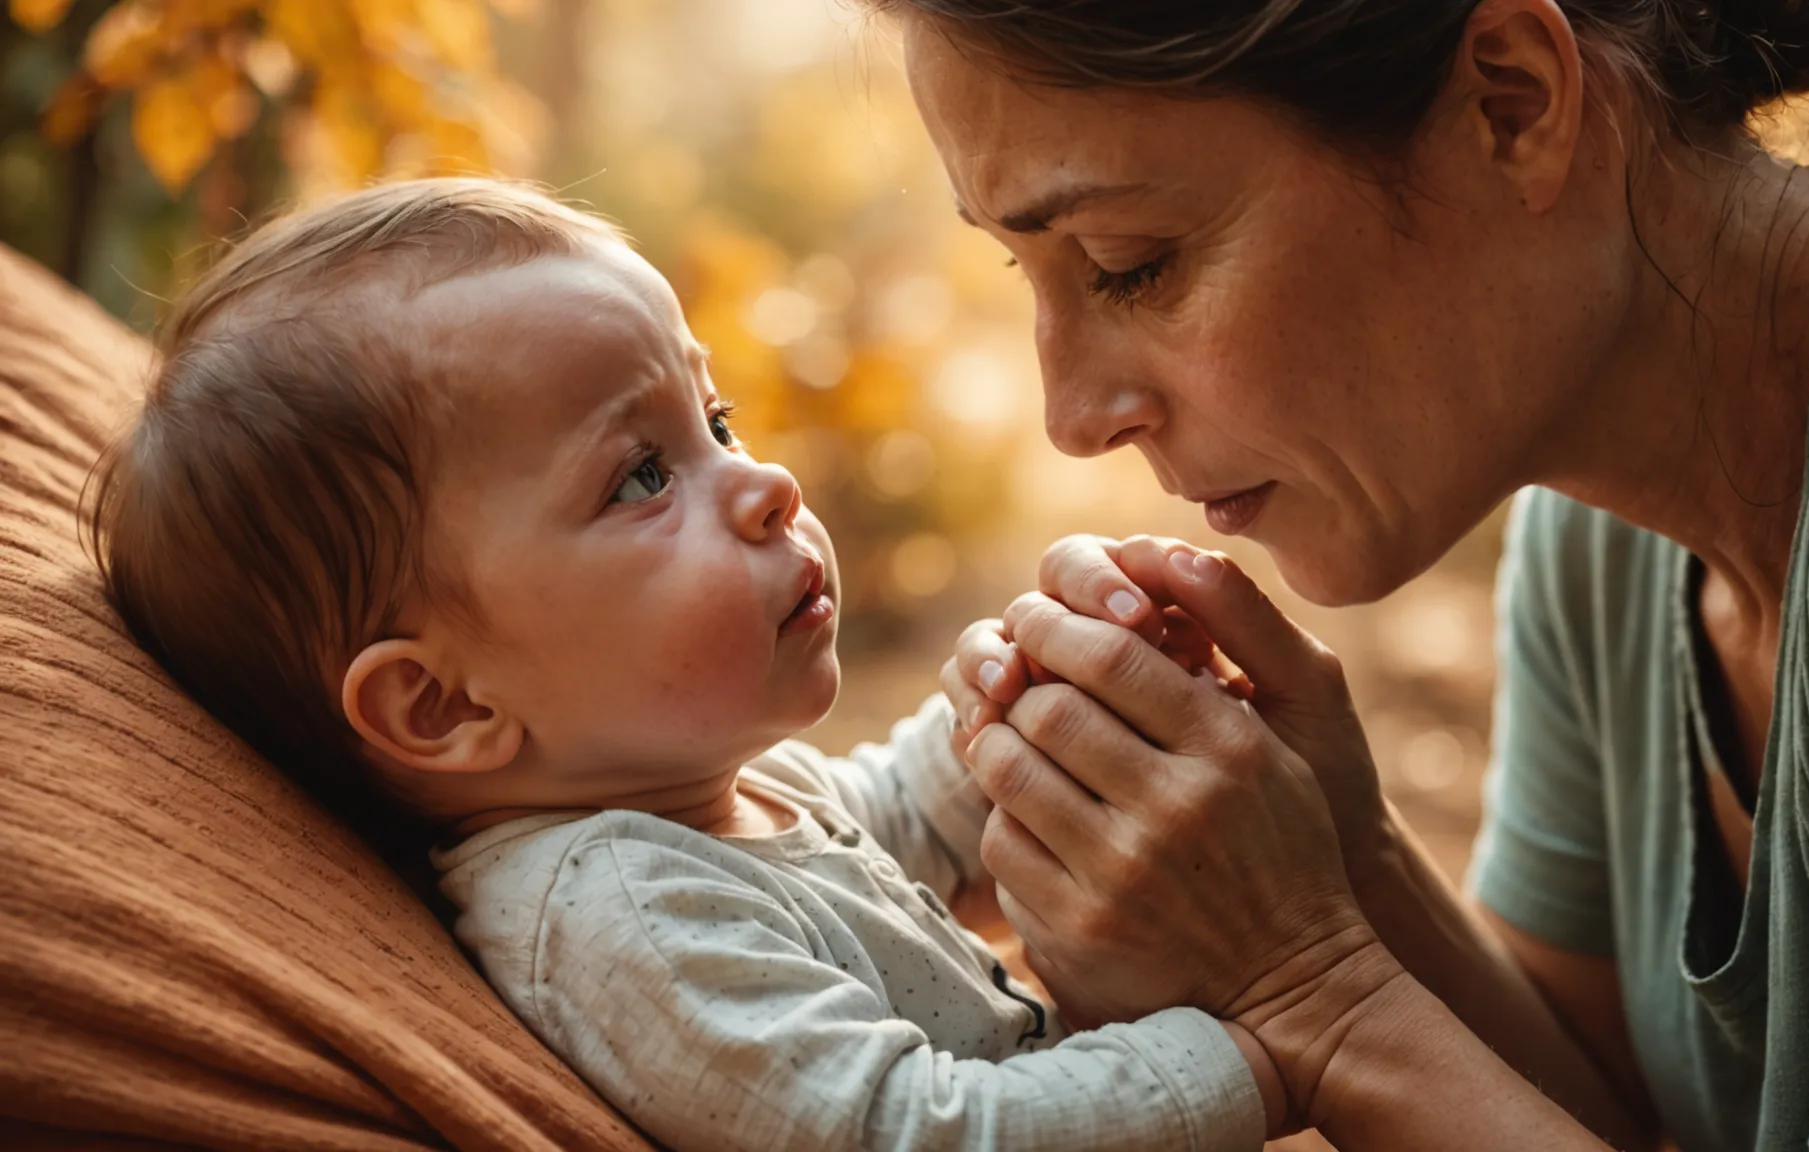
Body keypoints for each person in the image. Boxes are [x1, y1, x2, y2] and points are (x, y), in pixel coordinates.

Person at [895, 0, 1809, 1148]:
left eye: (1131, 265)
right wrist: (1348, 860)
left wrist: (1308, 986)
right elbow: (1593, 1107)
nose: (1071, 418)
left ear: (1511, 106)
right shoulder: (1605, 526)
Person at [86, 177, 1296, 1151]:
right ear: (445, 702)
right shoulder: (620, 922)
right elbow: (912, 1133)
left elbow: (888, 820)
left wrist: (1029, 702)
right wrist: (1254, 1050)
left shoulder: (703, 793)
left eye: (714, 423)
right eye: (642, 476)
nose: (767, 485)